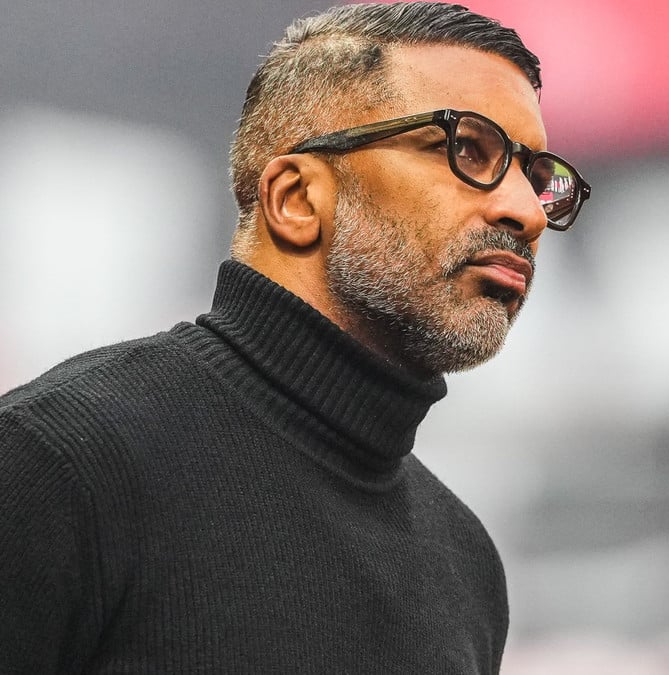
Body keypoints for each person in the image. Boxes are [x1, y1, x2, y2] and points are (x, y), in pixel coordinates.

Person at [0, 2, 590, 673]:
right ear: (296, 199)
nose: (526, 212)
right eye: (464, 150)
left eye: (537, 179)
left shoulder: (464, 561)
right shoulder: (58, 463)